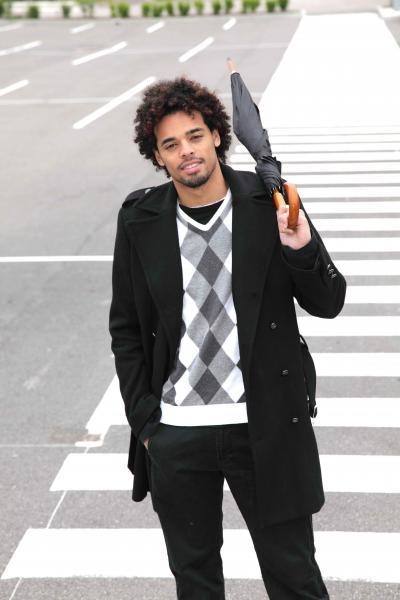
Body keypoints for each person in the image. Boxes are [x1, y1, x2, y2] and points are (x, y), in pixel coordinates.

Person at [109, 76, 346, 600]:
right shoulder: (140, 219)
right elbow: (125, 328)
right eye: (171, 144)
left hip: (263, 422)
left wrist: (300, 246)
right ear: (158, 156)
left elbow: (328, 301)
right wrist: (146, 422)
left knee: (294, 577)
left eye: (195, 135)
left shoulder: (268, 201)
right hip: (177, 431)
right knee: (195, 582)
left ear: (217, 134)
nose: (186, 151)